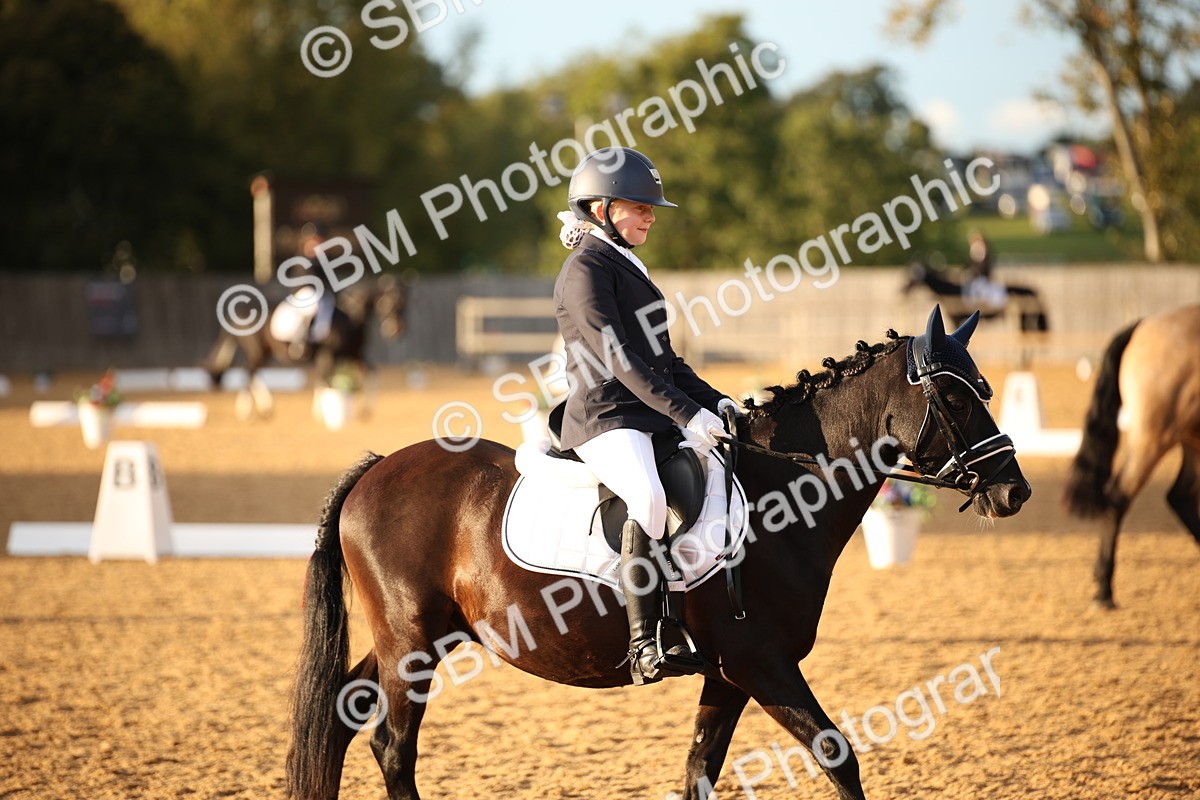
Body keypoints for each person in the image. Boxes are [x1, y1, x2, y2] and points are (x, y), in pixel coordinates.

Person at [552, 147, 739, 685]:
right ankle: (646, 641)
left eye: (652, 207)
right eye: (640, 206)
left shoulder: (626, 265)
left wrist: (714, 402)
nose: (652, 215)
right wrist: (688, 416)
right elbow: (618, 359)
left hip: (648, 413)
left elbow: (667, 361)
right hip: (606, 416)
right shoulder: (585, 269)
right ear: (601, 208)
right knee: (649, 497)